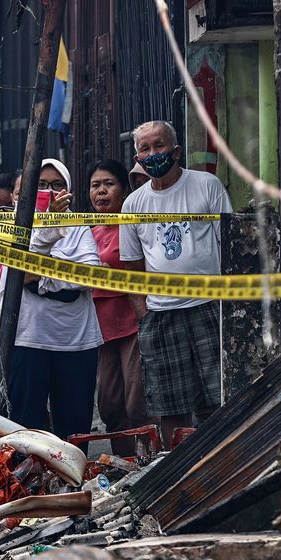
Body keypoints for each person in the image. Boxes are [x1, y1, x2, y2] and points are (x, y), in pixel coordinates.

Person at [120, 120, 232, 448]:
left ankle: (221, 459)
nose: (153, 154)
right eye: (145, 149)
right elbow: (132, 266)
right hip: (160, 315)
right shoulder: (133, 205)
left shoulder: (206, 186)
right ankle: (178, 467)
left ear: (177, 150)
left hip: (208, 308)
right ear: (137, 158)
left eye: (159, 146)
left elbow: (227, 245)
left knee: (217, 396)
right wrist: (144, 313)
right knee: (170, 404)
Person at [0, 159, 102, 442]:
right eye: (41, 185)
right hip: (26, 339)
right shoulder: (10, 227)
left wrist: (42, 279)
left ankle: (71, 484)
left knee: (75, 429)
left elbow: (91, 275)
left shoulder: (78, 227)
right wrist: (61, 271)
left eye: (57, 185)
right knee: (23, 427)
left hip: (76, 341)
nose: (50, 191)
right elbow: (22, 271)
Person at [87, 159, 153, 453]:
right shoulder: (85, 229)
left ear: (124, 191)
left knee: (136, 399)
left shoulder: (132, 225)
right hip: (99, 325)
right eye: (95, 185)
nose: (101, 191)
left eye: (108, 184)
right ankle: (123, 462)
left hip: (131, 319)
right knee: (110, 403)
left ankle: (150, 456)